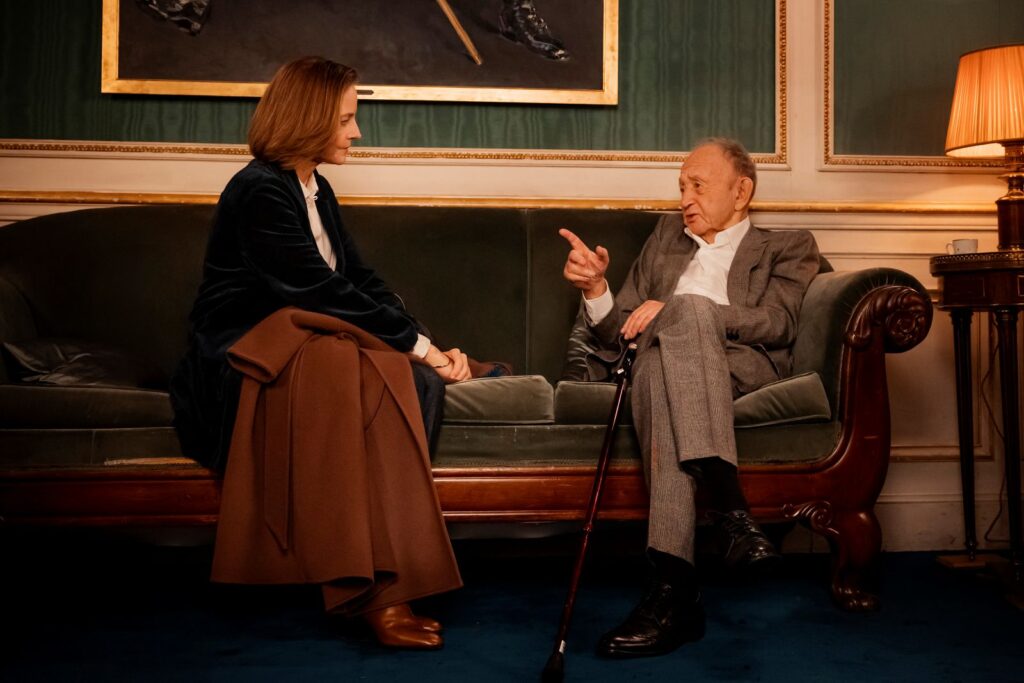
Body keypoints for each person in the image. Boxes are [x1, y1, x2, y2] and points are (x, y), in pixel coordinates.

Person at [170, 56, 467, 650]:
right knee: (364, 367)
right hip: (244, 354)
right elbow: (316, 288)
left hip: (309, 341)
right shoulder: (257, 189)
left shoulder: (315, 186)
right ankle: (373, 593)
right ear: (308, 120)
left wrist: (423, 344)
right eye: (347, 120)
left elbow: (358, 278)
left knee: (402, 376)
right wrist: (422, 349)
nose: (356, 132)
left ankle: (384, 579)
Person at [559, 138, 821, 658]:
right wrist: (596, 289)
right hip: (660, 368)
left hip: (737, 367)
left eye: (697, 185)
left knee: (685, 317)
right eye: (681, 187)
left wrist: (683, 309)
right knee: (657, 366)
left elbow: (779, 321)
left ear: (742, 190)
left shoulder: (787, 244)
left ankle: (673, 594)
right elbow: (618, 333)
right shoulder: (665, 238)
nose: (684, 198)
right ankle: (727, 514)